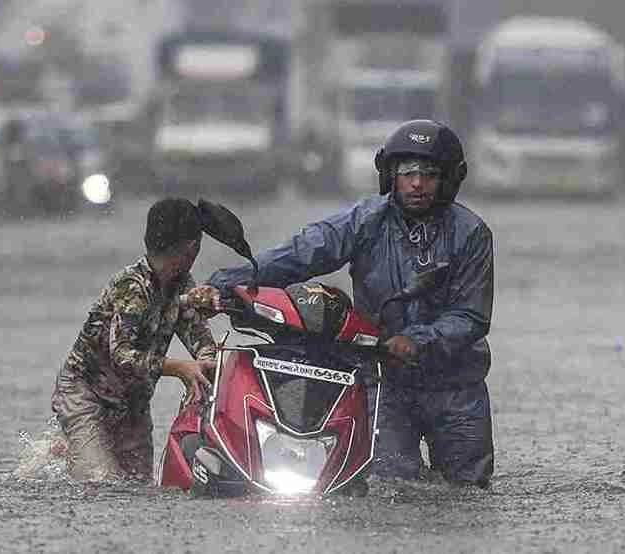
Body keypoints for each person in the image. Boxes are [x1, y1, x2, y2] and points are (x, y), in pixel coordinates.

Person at [205, 120, 495, 487]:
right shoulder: (365, 221)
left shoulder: (472, 234)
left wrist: (418, 340)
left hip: (457, 388)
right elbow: (302, 253)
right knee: (389, 487)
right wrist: (224, 283)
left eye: (430, 174)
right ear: (390, 175)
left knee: (469, 494)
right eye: (407, 173)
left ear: (450, 179)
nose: (417, 183)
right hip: (386, 382)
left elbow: (471, 315)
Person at [51, 197, 218, 482]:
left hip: (132, 404)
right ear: (192, 248)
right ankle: (70, 447)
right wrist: (179, 368)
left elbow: (200, 339)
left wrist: (207, 363)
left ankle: (77, 449)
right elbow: (122, 356)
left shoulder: (182, 287)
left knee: (137, 487)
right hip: (85, 393)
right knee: (101, 483)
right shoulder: (132, 287)